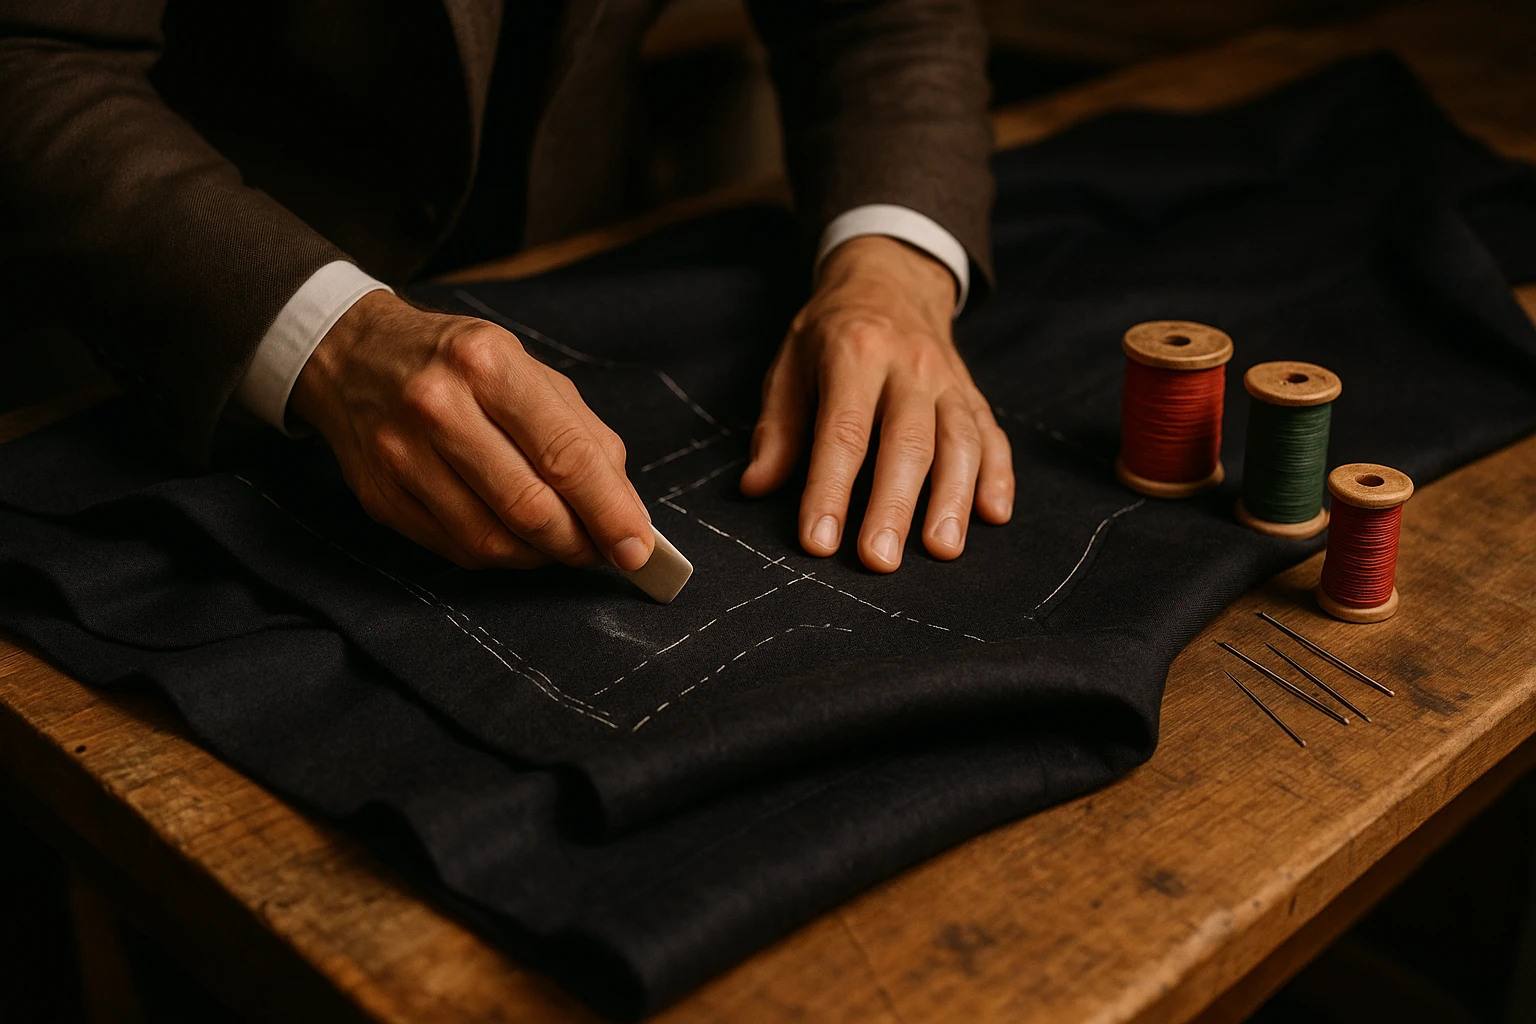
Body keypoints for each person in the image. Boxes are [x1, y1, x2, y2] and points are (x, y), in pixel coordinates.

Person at [0, 0, 1014, 576]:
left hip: (585, 277)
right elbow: (30, 56)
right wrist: (326, 336)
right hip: (150, 348)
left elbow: (885, 14)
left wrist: (890, 268)